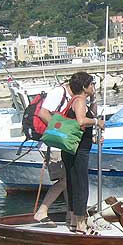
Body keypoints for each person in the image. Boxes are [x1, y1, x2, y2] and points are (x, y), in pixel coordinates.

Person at [58, 71, 104, 233]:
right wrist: (97, 122)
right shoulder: (79, 101)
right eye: (91, 84)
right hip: (78, 150)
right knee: (81, 185)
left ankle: (73, 219)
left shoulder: (77, 100)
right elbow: (81, 121)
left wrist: (94, 99)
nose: (93, 87)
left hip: (74, 146)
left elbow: (91, 114)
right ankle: (80, 224)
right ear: (84, 87)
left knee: (73, 182)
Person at [32, 79, 73, 224]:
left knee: (68, 180)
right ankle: (42, 211)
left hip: (59, 144)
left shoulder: (69, 97)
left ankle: (71, 214)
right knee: (64, 181)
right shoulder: (58, 93)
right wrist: (61, 131)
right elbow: (43, 113)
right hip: (52, 144)